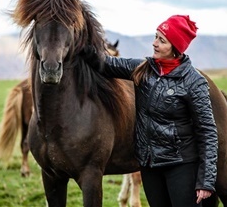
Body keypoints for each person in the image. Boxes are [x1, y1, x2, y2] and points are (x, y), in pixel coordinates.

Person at [82, 15, 218, 207]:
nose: (154, 43)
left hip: (181, 166)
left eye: (161, 40)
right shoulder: (143, 69)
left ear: (175, 48)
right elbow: (104, 63)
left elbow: (207, 132)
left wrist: (206, 180)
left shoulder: (193, 82)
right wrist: (76, 40)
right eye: (155, 36)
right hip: (150, 166)